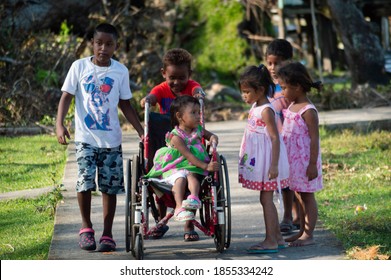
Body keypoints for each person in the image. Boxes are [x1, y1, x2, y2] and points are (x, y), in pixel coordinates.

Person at [56, 23, 144, 252]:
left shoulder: (120, 71)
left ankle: (107, 233)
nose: (103, 48)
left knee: (110, 187)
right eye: (99, 43)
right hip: (86, 138)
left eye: (109, 44)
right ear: (91, 44)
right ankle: (86, 228)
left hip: (111, 140)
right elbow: (66, 96)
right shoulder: (79, 67)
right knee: (85, 181)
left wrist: (141, 130)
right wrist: (59, 124)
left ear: (116, 46)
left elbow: (125, 103)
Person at [140, 48, 205, 241]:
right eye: (172, 78)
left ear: (189, 75)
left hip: (189, 139)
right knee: (161, 183)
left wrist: (199, 94)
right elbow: (152, 97)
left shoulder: (192, 86)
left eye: (182, 77)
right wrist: (148, 100)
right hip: (167, 138)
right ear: (163, 74)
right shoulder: (161, 89)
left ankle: (189, 226)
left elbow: (196, 90)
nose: (177, 82)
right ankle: (161, 221)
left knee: (190, 179)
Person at [145, 95, 219, 235]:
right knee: (181, 179)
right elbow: (188, 155)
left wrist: (214, 139)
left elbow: (211, 136)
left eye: (199, 112)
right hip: (176, 166)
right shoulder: (176, 137)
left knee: (192, 178)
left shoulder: (198, 130)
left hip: (191, 167)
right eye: (193, 113)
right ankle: (179, 206)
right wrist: (206, 167)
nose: (198, 116)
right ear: (180, 116)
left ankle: (194, 198)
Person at [238, 65, 290, 253]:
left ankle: (270, 240)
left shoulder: (266, 109)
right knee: (265, 198)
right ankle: (278, 237)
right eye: (242, 92)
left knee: (266, 199)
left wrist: (274, 165)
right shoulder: (256, 106)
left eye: (246, 92)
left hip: (268, 161)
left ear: (259, 90)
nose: (244, 96)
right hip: (261, 160)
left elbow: (275, 137)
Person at [277, 62, 323, 247]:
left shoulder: (308, 110)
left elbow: (314, 139)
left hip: (305, 163)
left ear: (297, 87)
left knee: (307, 196)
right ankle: (302, 231)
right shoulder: (292, 105)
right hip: (292, 161)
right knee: (297, 195)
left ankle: (309, 235)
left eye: (284, 87)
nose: (281, 92)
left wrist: (312, 165)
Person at [265, 39, 300, 235]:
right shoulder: (267, 86)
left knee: (293, 181)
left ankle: (292, 216)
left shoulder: (291, 85)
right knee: (282, 182)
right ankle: (289, 215)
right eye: (269, 63)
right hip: (275, 141)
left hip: (293, 140)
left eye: (277, 63)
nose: (273, 67)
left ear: (289, 61)